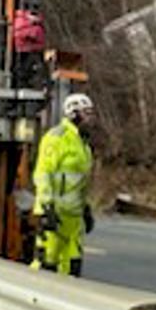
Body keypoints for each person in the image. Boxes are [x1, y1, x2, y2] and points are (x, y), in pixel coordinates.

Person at [31, 93, 95, 276]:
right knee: (46, 264)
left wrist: (85, 208)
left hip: (74, 219)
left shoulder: (83, 144)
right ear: (73, 114)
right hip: (55, 216)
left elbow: (81, 181)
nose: (90, 118)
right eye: (86, 113)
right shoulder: (56, 138)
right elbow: (43, 174)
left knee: (72, 268)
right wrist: (46, 208)